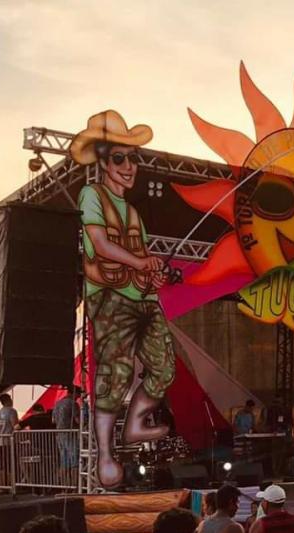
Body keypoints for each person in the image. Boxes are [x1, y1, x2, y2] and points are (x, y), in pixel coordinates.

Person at [70, 111, 173, 488]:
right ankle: (105, 453)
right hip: (109, 297)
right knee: (116, 372)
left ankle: (134, 425)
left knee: (164, 366)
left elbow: (138, 258)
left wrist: (152, 273)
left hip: (142, 298)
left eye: (133, 159)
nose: (129, 166)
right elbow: (99, 244)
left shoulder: (133, 213)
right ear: (101, 162)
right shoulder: (90, 195)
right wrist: (140, 260)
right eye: (119, 158)